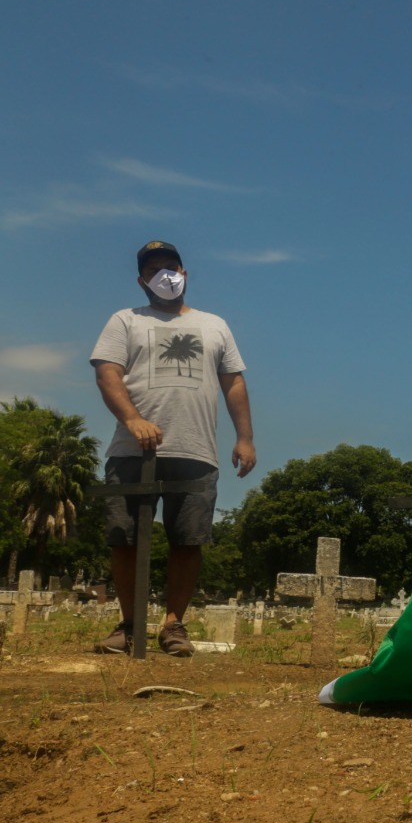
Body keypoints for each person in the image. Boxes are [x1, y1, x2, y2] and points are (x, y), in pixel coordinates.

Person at [91, 241, 256, 656]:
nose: (165, 275)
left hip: (195, 448)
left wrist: (245, 437)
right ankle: (129, 625)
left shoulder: (214, 324)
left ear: (184, 271)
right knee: (124, 538)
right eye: (155, 269)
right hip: (132, 451)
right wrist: (133, 419)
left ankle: (173, 626)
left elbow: (233, 381)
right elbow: (108, 373)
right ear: (141, 280)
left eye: (171, 266)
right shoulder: (125, 321)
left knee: (189, 540)